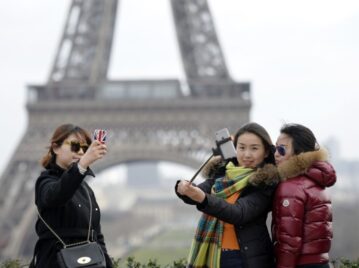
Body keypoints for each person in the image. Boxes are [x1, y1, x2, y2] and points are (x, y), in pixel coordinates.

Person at [175, 122, 276, 268]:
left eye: (254, 148)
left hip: (242, 259)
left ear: (266, 152)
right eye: (241, 147)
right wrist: (182, 188)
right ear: (235, 148)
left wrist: (202, 198)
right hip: (214, 255)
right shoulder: (223, 173)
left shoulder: (266, 182)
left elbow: (239, 213)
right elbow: (197, 192)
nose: (247, 154)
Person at [30, 124, 113, 268]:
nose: (81, 152)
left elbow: (97, 236)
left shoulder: (86, 190)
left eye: (85, 148)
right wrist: (82, 165)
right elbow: (56, 195)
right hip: (54, 262)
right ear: (55, 148)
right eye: (75, 146)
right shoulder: (45, 181)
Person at [271, 123, 336, 268]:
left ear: (299, 153)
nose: (276, 154)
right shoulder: (318, 181)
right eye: (275, 148)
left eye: (282, 149)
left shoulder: (290, 186)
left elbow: (289, 241)